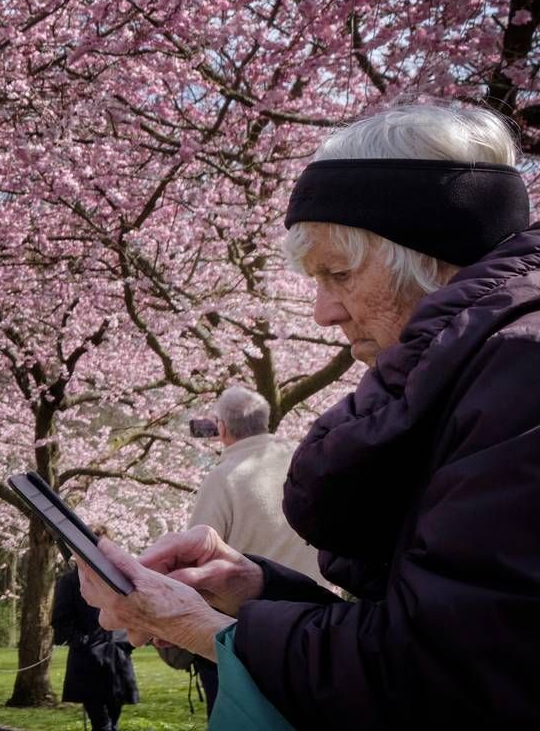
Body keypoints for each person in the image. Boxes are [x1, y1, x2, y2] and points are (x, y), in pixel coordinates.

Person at [78, 102, 540, 730]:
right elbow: (434, 623)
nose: (324, 313)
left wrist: (199, 628)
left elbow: (449, 678)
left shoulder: (520, 377)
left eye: (340, 274)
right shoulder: (487, 373)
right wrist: (257, 591)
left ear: (434, 261)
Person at [179, 384, 325, 712]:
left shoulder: (223, 478)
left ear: (221, 428)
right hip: (319, 618)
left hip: (248, 631)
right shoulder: (305, 461)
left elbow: (196, 557)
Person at [52, 556, 138, 731]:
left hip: (117, 656)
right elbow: (60, 621)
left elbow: (135, 612)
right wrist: (82, 641)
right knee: (102, 724)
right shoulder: (70, 581)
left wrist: (127, 643)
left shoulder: (119, 578)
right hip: (88, 660)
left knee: (113, 722)